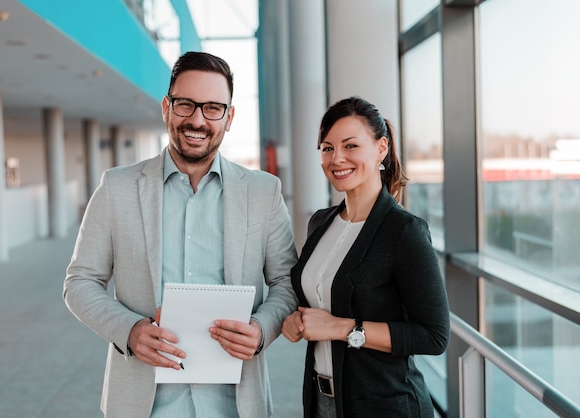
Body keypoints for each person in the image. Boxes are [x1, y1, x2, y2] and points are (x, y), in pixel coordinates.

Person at [63, 51, 298, 418]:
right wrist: (130, 330)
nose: (197, 120)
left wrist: (262, 328)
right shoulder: (117, 187)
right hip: (143, 404)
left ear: (230, 117)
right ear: (166, 108)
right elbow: (80, 282)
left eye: (213, 108)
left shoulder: (263, 192)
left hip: (236, 404)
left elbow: (286, 281)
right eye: (186, 104)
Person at [281, 96, 450, 418]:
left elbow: (433, 335)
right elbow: (320, 298)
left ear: (381, 148)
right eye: (327, 148)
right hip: (322, 401)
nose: (337, 158)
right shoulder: (321, 222)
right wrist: (296, 320)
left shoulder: (404, 231)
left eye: (351, 146)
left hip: (385, 406)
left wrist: (340, 328)